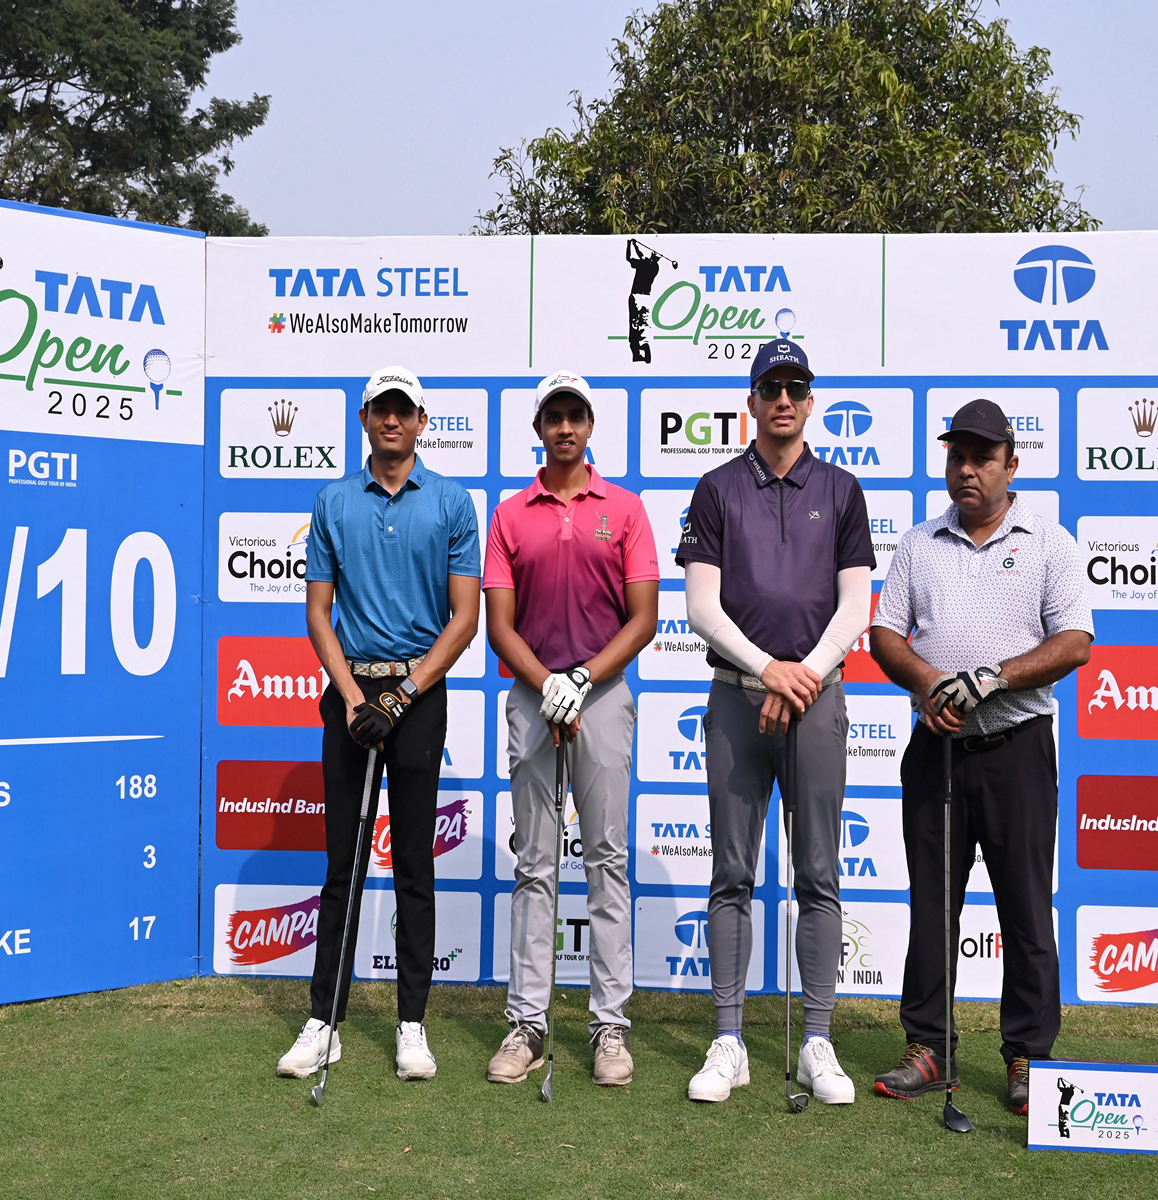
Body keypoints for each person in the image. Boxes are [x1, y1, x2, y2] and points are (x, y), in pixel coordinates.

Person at [868, 397, 1093, 1117]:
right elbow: (884, 634)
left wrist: (993, 676)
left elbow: (1075, 642)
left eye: (982, 458)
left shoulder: (1050, 541)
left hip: (1017, 748)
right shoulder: (917, 543)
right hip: (936, 751)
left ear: (1010, 466)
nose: (966, 470)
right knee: (933, 906)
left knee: (1025, 909)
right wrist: (929, 680)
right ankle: (929, 1048)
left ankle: (1028, 1056)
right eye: (956, 457)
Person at [675, 339, 876, 1105]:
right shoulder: (716, 487)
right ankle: (729, 1038)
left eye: (796, 386)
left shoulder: (844, 489)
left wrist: (801, 678)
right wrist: (769, 672)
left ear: (810, 401)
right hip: (736, 697)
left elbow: (855, 605)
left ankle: (816, 1042)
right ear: (751, 403)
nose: (784, 399)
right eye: (771, 387)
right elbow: (701, 607)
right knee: (732, 873)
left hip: (816, 697)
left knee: (819, 874)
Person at [276, 366, 481, 1084]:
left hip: (419, 698)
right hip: (350, 693)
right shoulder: (333, 501)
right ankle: (324, 1021)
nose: (392, 421)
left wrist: (401, 696)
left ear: (422, 422)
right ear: (364, 418)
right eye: (380, 409)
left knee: (415, 868)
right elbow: (317, 614)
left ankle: (412, 1025)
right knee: (343, 867)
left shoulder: (452, 502)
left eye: (405, 410)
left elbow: (465, 620)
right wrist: (352, 694)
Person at [481, 371, 659, 1087]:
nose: (564, 427)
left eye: (574, 416)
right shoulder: (509, 513)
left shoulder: (625, 508)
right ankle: (527, 1023)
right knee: (534, 865)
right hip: (531, 695)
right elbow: (498, 624)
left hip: (603, 696)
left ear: (590, 427)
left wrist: (582, 678)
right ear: (539, 428)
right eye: (552, 416)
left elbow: (642, 617)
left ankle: (609, 1028)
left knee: (608, 861)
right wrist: (546, 681)